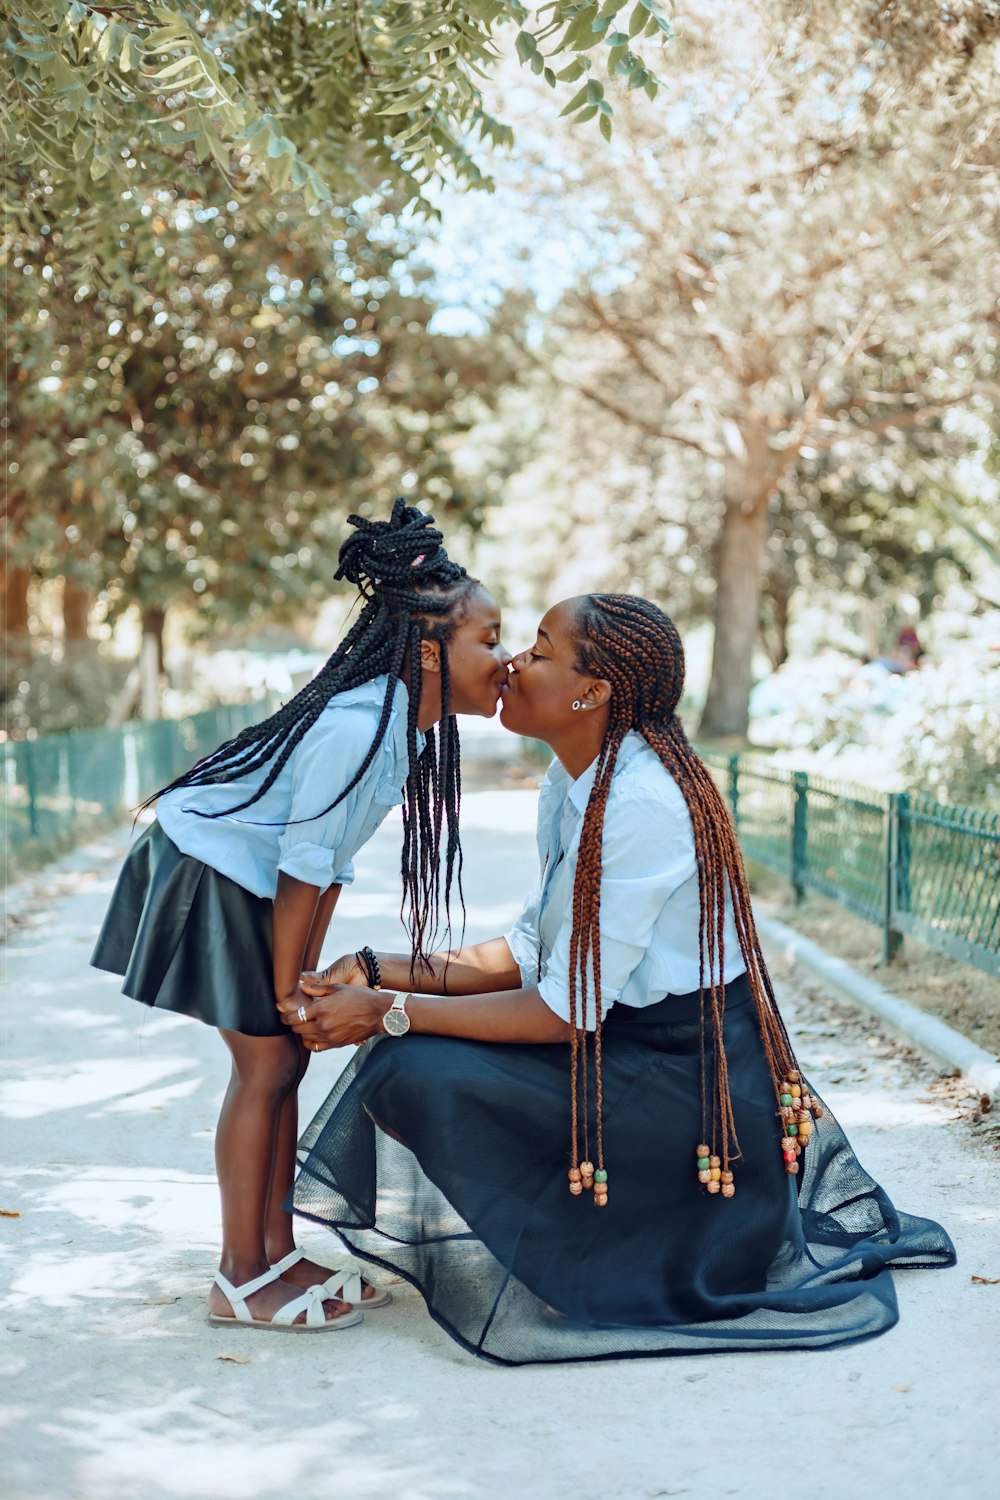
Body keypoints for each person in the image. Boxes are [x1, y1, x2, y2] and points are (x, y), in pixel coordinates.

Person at [284, 594, 955, 1364]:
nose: (512, 663)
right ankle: (590, 1242)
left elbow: (563, 1013)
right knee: (412, 1057)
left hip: (688, 1089)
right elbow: (538, 953)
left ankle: (624, 1256)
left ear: (592, 692)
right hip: (627, 1050)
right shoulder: (574, 784)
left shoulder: (639, 803)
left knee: (412, 1066)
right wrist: (379, 968)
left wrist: (387, 1011)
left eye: (537, 650)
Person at [91, 501, 510, 1332]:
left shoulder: (403, 731)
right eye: (489, 639)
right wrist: (292, 993)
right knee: (269, 1066)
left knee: (284, 1059)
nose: (503, 657)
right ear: (429, 652)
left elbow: (327, 869)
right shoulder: (359, 728)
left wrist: (308, 981)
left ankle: (276, 1255)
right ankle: (242, 1276)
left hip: (249, 880)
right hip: (201, 875)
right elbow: (300, 870)